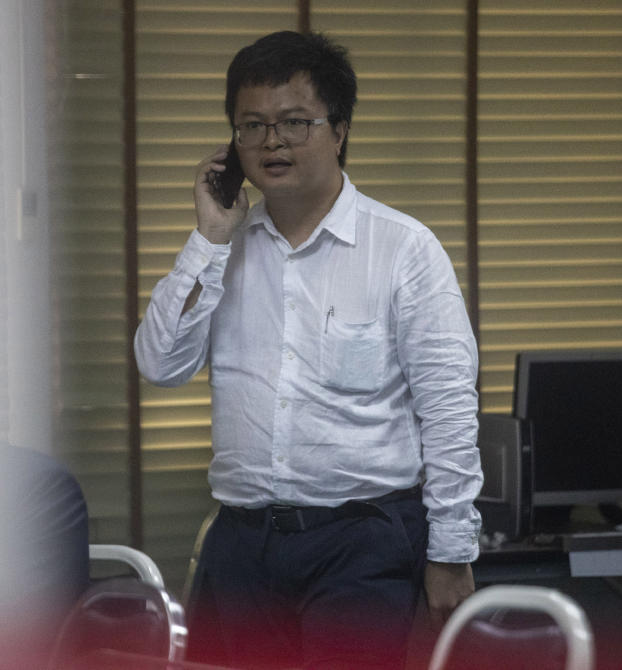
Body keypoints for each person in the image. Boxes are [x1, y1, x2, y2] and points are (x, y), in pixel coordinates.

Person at [134, 30, 482, 670]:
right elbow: (159, 363)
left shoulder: (402, 249)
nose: (272, 143)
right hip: (242, 543)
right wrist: (208, 239)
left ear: (339, 129)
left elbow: (449, 409)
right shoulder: (224, 252)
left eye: (295, 122)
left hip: (362, 542)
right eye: (252, 126)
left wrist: (452, 550)